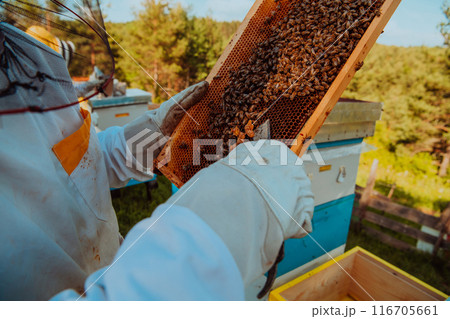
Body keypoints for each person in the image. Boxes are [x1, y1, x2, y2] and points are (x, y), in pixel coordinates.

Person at [0, 18, 314, 301]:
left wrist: (145, 136)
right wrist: (243, 207)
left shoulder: (20, 52)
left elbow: (71, 162)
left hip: (111, 258)